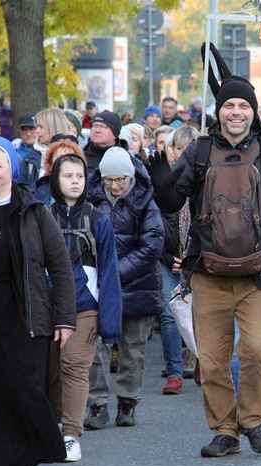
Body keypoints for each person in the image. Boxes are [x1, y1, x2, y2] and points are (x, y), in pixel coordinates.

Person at [145, 75, 261, 457]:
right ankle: (225, 430)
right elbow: (171, 203)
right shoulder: (198, 152)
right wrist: (161, 185)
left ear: (253, 112)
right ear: (219, 111)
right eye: (229, 105)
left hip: (257, 274)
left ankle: (252, 420)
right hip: (208, 272)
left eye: (243, 106)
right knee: (212, 360)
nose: (235, 112)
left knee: (260, 350)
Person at [0, 137, 76, 466]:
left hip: (25, 312)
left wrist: (65, 317)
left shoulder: (34, 210)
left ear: (11, 167)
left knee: (24, 390)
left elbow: (60, 266)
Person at [47, 153, 122, 462]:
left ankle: (70, 435)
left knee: (75, 368)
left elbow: (109, 272)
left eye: (79, 175)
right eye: (68, 175)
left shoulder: (98, 219)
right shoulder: (42, 216)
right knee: (51, 374)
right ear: (56, 179)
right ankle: (53, 426)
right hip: (47, 310)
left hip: (85, 308)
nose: (74, 181)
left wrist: (110, 323)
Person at [84, 147, 164, 429]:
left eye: (121, 180)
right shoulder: (90, 199)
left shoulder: (145, 200)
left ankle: (127, 402)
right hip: (100, 285)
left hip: (137, 284)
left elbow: (152, 245)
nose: (115, 186)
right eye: (109, 181)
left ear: (130, 177)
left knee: (133, 348)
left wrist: (113, 273)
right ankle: (97, 405)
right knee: (96, 347)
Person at [157, 125, 200, 395]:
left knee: (200, 314)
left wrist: (188, 260)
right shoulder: (160, 178)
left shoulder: (202, 179)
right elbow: (153, 224)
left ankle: (201, 359)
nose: (176, 153)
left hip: (195, 259)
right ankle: (174, 372)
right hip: (167, 258)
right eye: (174, 146)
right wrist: (168, 256)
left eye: (183, 148)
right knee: (169, 314)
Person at [18, 107, 73, 185]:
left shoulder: (74, 155)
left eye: (41, 127)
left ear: (53, 127)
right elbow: (22, 191)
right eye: (37, 127)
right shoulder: (29, 159)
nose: (37, 131)